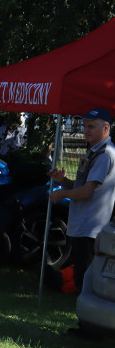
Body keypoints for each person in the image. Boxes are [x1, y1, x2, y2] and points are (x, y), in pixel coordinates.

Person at [49, 107, 115, 295]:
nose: (85, 130)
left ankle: (85, 318)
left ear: (106, 128)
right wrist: (64, 181)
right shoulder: (94, 150)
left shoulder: (104, 154)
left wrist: (61, 194)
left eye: (91, 126)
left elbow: (86, 192)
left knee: (84, 281)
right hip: (83, 225)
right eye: (84, 125)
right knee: (81, 276)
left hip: (90, 228)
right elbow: (82, 185)